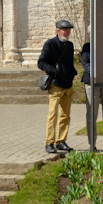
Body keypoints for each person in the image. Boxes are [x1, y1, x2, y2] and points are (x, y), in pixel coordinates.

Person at [37, 18, 77, 155]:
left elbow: (69, 63)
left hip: (68, 85)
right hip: (55, 85)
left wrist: (72, 73)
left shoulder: (70, 45)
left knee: (65, 116)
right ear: (58, 31)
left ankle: (61, 141)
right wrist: (55, 72)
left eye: (69, 30)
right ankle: (49, 142)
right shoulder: (50, 44)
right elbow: (41, 63)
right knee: (53, 115)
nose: (68, 32)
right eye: (65, 30)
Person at [80, 41, 103, 150]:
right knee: (91, 114)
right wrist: (94, 73)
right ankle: (92, 144)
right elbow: (85, 62)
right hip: (91, 82)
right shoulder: (87, 46)